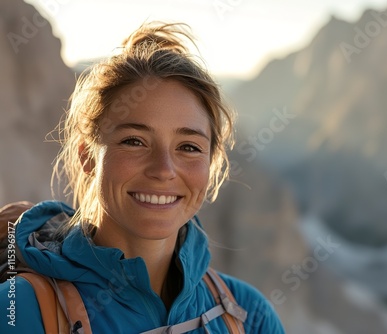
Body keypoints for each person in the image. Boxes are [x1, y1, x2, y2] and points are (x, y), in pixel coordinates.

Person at [0, 22, 285, 333]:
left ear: (211, 165)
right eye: (134, 141)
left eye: (188, 147)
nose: (163, 169)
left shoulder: (248, 315)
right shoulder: (20, 312)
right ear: (87, 156)